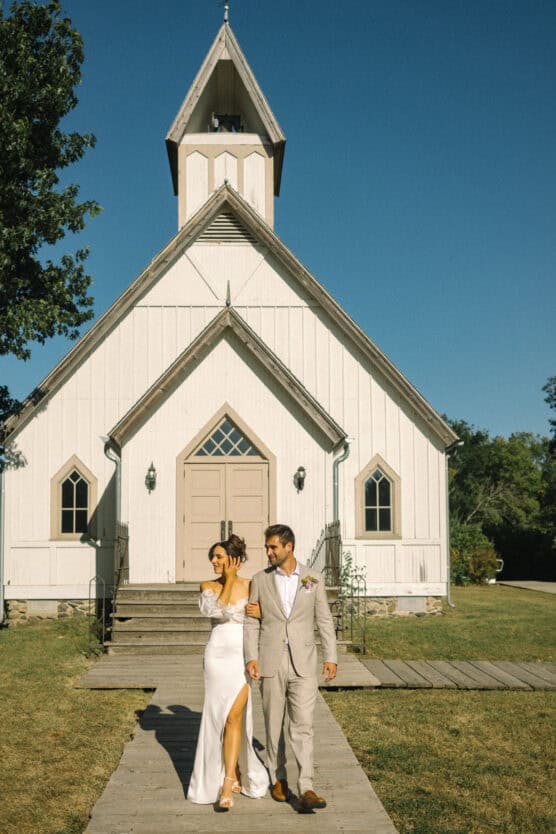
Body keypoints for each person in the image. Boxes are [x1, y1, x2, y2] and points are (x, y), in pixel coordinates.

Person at [244, 523, 337, 813]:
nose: (268, 552)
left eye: (273, 547)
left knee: (303, 725)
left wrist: (330, 656)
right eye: (267, 547)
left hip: (304, 662)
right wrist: (251, 657)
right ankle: (278, 777)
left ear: (289, 547)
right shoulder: (259, 580)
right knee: (273, 724)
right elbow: (251, 621)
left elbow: (323, 619)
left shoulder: (313, 578)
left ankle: (306, 786)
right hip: (271, 660)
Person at [187, 534, 268, 809]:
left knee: (235, 716)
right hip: (217, 655)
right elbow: (213, 612)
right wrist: (229, 580)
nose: (214, 561)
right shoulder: (208, 585)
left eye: (219, 556)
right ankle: (220, 776)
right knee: (216, 718)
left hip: (243, 656)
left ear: (234, 559)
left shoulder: (253, 585)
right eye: (213, 556)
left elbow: (264, 619)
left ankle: (228, 780)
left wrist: (259, 613)